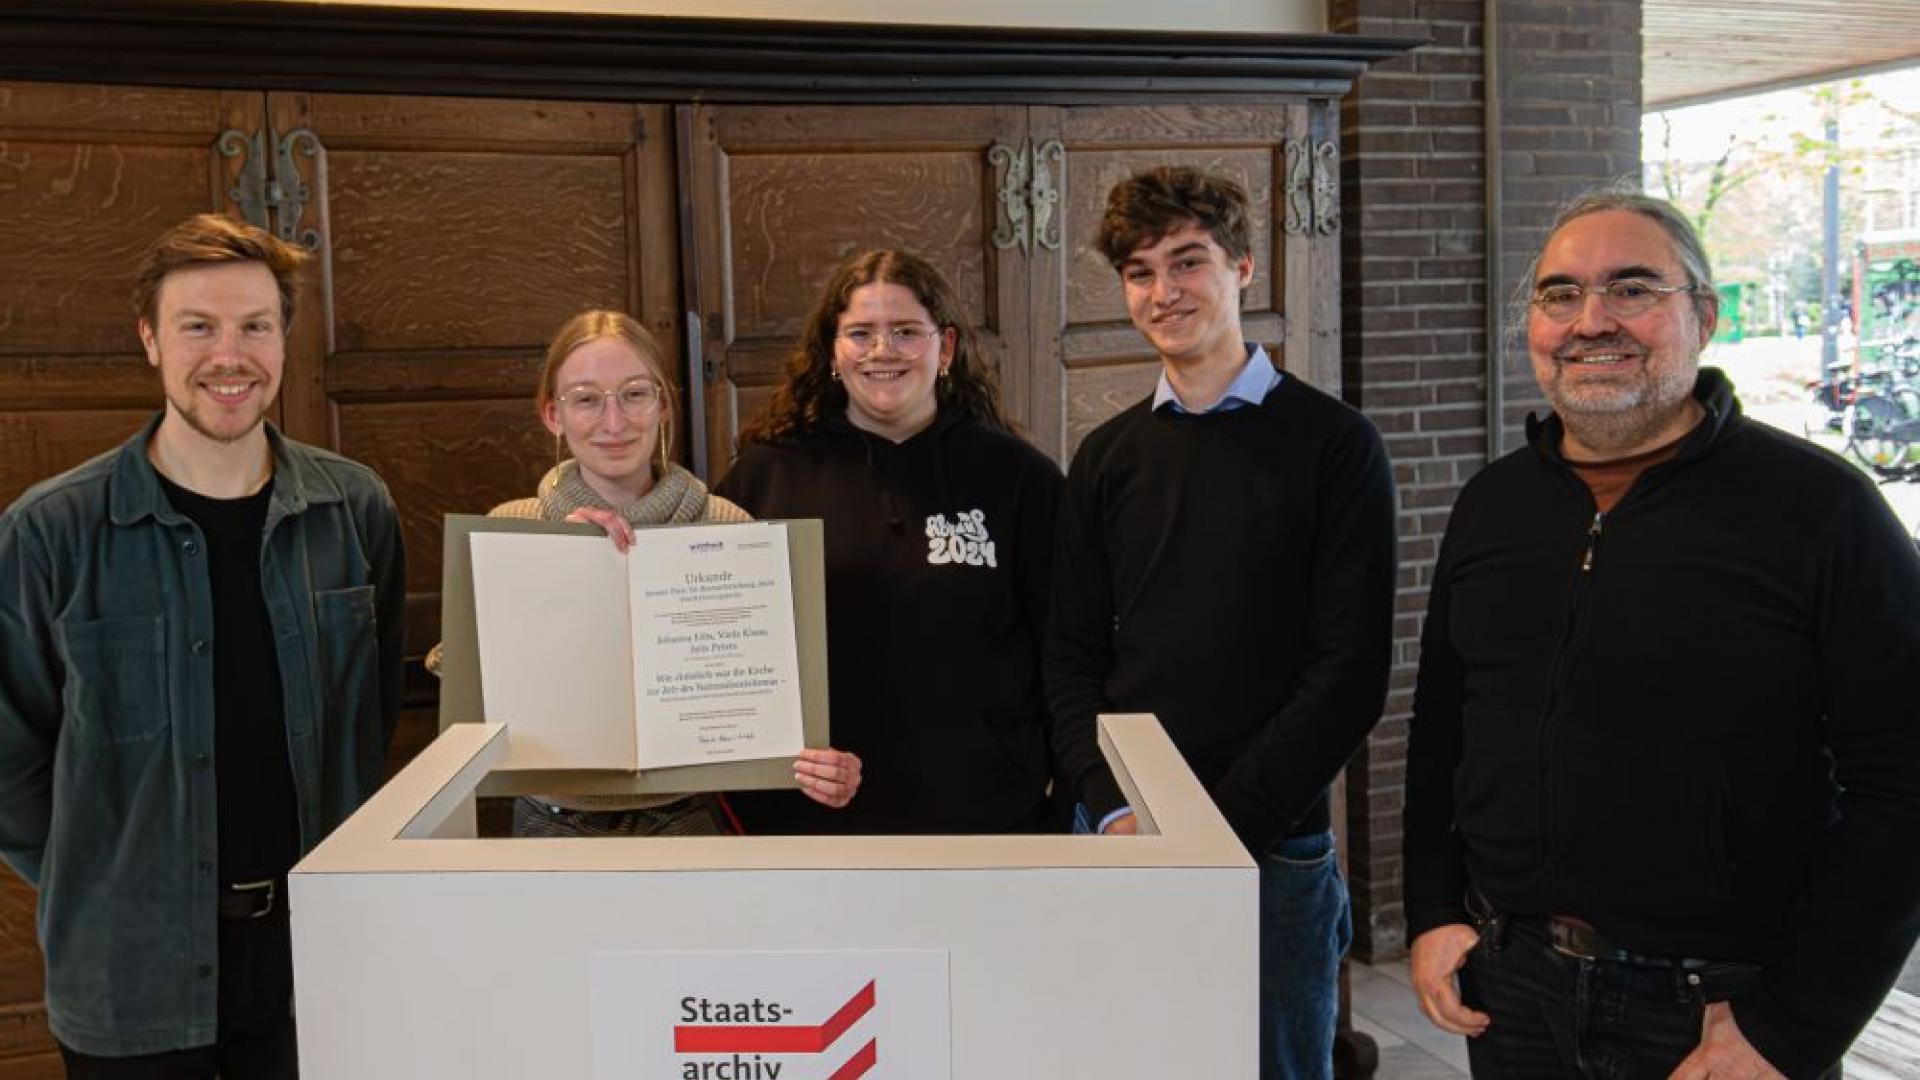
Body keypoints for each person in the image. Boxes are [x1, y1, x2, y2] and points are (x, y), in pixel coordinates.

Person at [1403, 189, 1920, 1079]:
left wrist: (1795, 1024)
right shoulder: (1495, 504)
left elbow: (1905, 783)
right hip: (1513, 989)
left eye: (1632, 289)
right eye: (1560, 295)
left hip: (1719, 1008)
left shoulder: (1820, 510)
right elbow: (1443, 724)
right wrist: (1430, 910)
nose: (1591, 321)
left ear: (1705, 317)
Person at [0, 213, 406, 1077]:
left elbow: (368, 725)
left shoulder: (354, 511)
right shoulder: (50, 533)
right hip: (129, 978)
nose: (231, 355)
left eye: (255, 326)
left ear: (284, 340)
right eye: (198, 327)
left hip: (317, 963)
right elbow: (8, 763)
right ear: (150, 339)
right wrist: (102, 873)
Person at [1044, 166, 1397, 1080]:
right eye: (1140, 271)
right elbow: (1072, 654)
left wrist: (1219, 829)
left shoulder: (1335, 445)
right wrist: (1107, 803)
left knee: (1273, 1065)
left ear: (1243, 266)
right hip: (1126, 830)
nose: (1164, 292)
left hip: (1271, 842)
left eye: (1188, 262)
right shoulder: (1108, 456)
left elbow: (1349, 670)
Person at [433, 309, 862, 835]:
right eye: (587, 399)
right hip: (550, 825)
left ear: (663, 403)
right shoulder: (511, 531)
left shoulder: (729, 526)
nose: (614, 422)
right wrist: (554, 564)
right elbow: (462, 692)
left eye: (635, 394)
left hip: (691, 820)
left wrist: (822, 766)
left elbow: (780, 694)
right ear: (552, 415)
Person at [714, 250, 1063, 835]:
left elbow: (1064, 649)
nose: (883, 351)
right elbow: (710, 637)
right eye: (860, 334)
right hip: (809, 817)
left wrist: (1072, 787)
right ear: (832, 351)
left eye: (906, 332)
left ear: (945, 348)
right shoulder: (766, 477)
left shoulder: (1019, 479)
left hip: (986, 816)